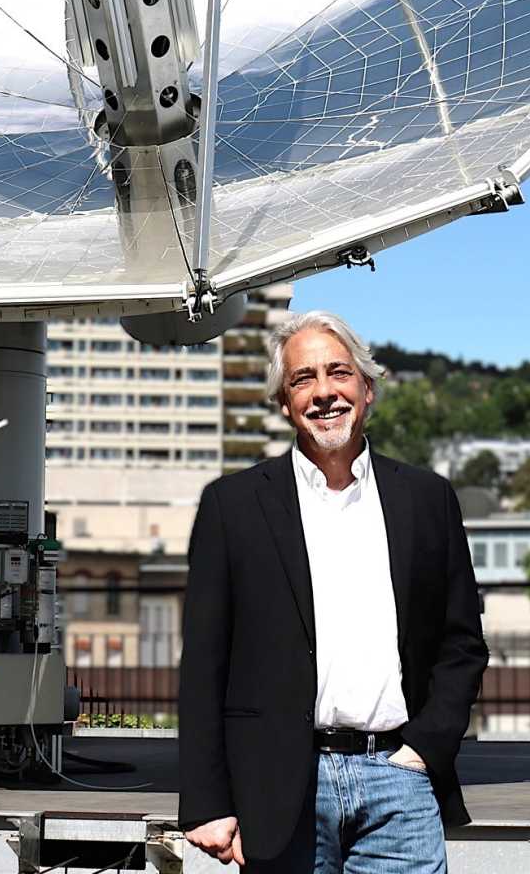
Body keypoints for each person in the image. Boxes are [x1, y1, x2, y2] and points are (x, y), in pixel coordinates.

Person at [178, 311, 488, 872]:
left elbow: (461, 642)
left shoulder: (427, 499)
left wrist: (423, 750)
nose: (324, 392)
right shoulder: (233, 507)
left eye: (339, 373)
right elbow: (204, 664)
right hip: (281, 790)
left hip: (399, 783)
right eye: (303, 379)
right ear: (283, 402)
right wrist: (207, 802)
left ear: (367, 389)